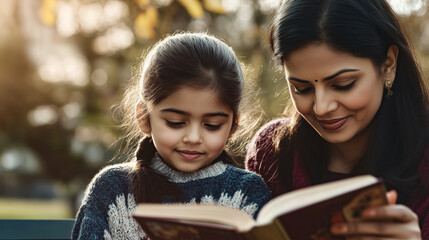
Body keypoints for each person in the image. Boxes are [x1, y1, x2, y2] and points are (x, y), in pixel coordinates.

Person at [246, 0, 429, 239]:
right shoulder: (271, 152)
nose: (321, 108)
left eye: (343, 85)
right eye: (302, 89)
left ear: (388, 65)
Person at [72, 32, 271, 239]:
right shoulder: (112, 190)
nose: (193, 138)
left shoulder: (246, 193)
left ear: (233, 125)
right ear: (144, 116)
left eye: (212, 125)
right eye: (175, 123)